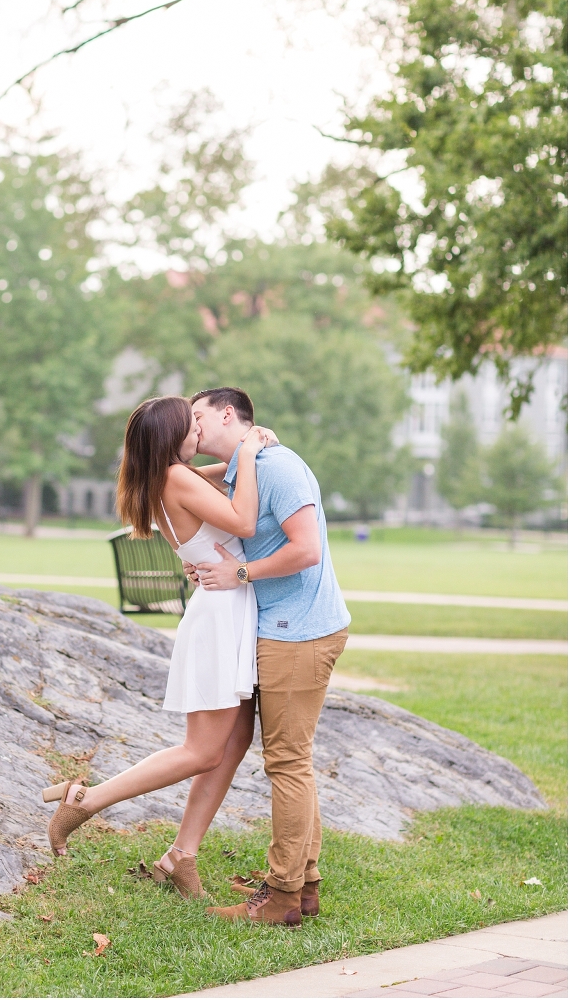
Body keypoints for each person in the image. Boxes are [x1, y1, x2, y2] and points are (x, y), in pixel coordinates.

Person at [41, 394, 274, 901]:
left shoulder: (165, 479)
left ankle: (180, 857)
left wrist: (235, 461)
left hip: (224, 610)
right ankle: (85, 800)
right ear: (173, 439)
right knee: (204, 750)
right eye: (190, 424)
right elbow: (245, 522)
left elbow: (207, 483)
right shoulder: (176, 479)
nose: (198, 429)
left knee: (232, 745)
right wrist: (251, 457)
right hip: (220, 617)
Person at [183, 387, 351, 928]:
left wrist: (240, 573)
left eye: (198, 417)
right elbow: (187, 481)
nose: (192, 427)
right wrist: (244, 454)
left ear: (227, 414)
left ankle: (281, 896)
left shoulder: (277, 468)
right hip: (280, 628)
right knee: (291, 759)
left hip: (299, 632)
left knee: (287, 762)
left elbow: (306, 550)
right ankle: (305, 887)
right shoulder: (245, 466)